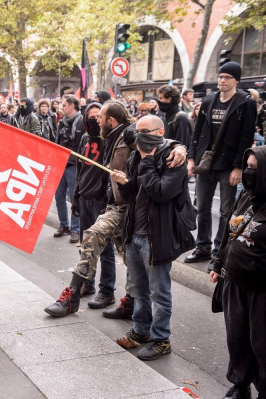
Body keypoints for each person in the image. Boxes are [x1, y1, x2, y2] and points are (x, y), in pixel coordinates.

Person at [44, 101, 189, 319]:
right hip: (115, 203)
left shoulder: (129, 133)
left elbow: (159, 138)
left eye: (99, 117)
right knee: (107, 243)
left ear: (111, 120)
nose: (96, 121)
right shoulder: (105, 136)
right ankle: (74, 295)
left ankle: (127, 303)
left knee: (127, 255)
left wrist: (180, 146)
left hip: (131, 207)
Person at [112, 114, 191, 361]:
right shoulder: (137, 156)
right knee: (138, 289)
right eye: (137, 130)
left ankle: (161, 340)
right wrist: (124, 183)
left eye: (144, 130)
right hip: (135, 231)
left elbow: (160, 192)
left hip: (157, 236)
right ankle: (141, 331)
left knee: (159, 292)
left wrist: (147, 161)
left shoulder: (172, 158)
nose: (138, 135)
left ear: (160, 132)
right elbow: (134, 194)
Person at [186, 62, 257, 269]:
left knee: (226, 211)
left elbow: (246, 138)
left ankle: (219, 253)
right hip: (205, 164)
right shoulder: (209, 100)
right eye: (221, 76)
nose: (222, 80)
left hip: (229, 165)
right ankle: (202, 247)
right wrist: (191, 158)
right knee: (202, 208)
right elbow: (197, 133)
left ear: (236, 80)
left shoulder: (245, 102)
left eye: (227, 77)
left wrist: (238, 167)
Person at [210, 146, 266, 399]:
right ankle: (239, 385)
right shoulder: (245, 196)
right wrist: (217, 263)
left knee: (262, 344)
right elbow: (229, 232)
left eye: (255, 168)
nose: (248, 173)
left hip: (261, 289)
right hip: (233, 281)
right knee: (237, 338)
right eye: (247, 166)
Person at [71, 102, 116, 307]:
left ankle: (107, 290)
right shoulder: (84, 138)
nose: (95, 120)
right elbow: (81, 168)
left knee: (104, 248)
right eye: (91, 116)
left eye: (98, 117)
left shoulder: (111, 138)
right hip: (85, 196)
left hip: (101, 199)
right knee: (85, 245)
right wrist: (76, 195)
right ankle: (87, 283)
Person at [53, 95, 84, 242]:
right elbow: (57, 142)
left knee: (74, 198)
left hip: (74, 166)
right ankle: (63, 225)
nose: (61, 108)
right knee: (59, 197)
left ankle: (76, 229)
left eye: (64, 105)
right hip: (60, 164)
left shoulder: (82, 122)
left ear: (72, 106)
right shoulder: (61, 122)